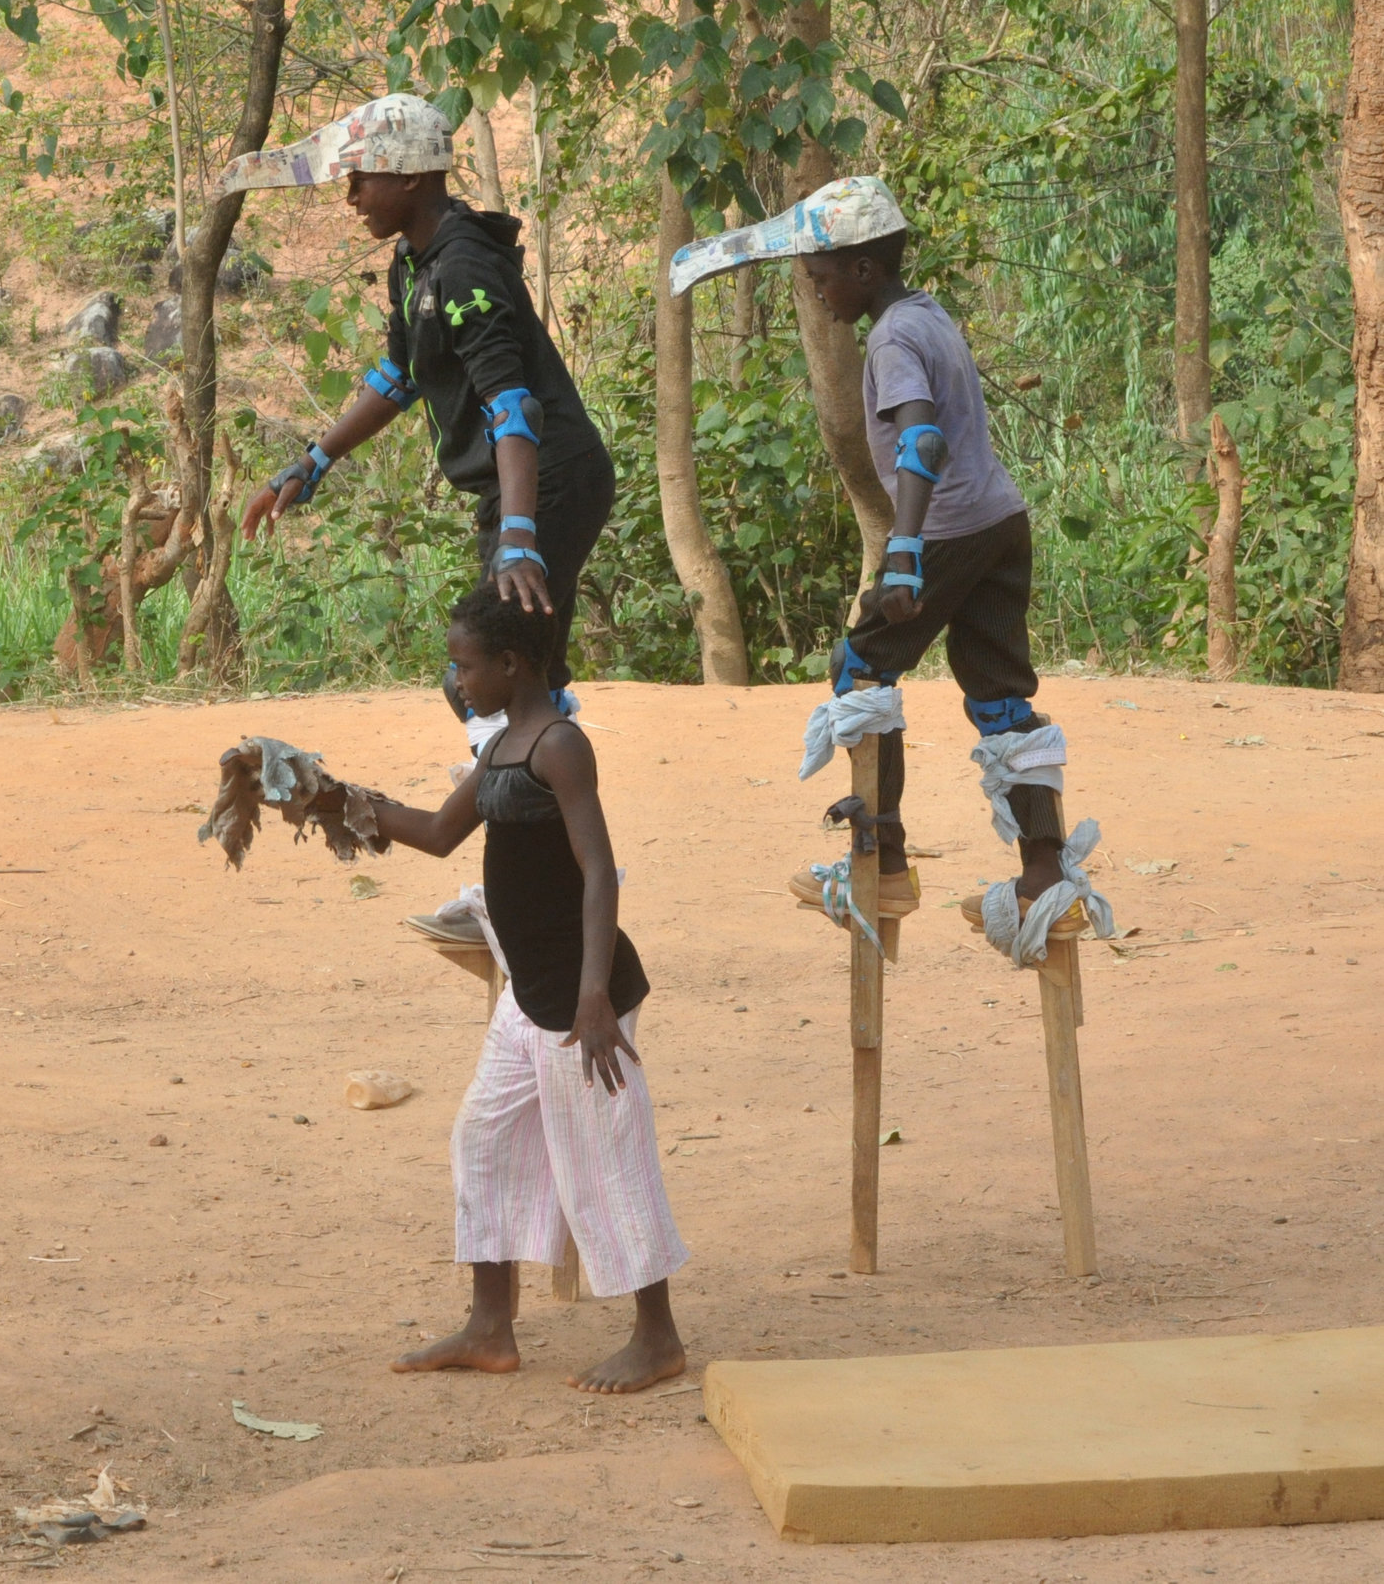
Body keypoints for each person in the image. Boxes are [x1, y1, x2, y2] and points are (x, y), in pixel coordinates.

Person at [669, 177, 1067, 921]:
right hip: (1000, 520)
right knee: (1002, 698)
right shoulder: (929, 313)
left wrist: (907, 546)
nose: (816, 293)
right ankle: (1046, 873)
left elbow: (920, 435)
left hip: (945, 528)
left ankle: (879, 864)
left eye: (820, 278)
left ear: (862, 270)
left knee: (860, 668)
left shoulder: (888, 339)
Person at [363, 585, 689, 1393]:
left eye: (465, 665)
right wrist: (340, 799)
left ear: (510, 663)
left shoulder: (559, 746)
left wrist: (593, 995)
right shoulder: (505, 743)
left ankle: (658, 1337)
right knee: (484, 1138)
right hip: (529, 995)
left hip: (580, 1003)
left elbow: (597, 872)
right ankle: (490, 1326)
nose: (456, 680)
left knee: (604, 1159)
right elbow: (438, 833)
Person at [223, 94, 615, 727]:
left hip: (551, 483)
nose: (351, 196)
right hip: (522, 489)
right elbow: (399, 378)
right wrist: (311, 462)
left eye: (360, 179)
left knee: (488, 672)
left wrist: (519, 537)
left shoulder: (462, 267)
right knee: (512, 676)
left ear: (408, 175)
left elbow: (512, 409)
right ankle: (532, 799)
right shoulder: (413, 264)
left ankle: (528, 800)